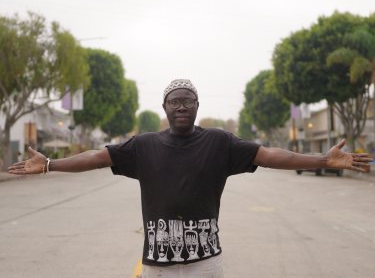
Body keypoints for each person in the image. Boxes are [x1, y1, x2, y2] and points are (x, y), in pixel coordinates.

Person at [8, 79, 373, 278]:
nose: (181, 105)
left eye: (188, 100)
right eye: (174, 101)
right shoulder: (144, 145)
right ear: (164, 108)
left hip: (205, 262)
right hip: (157, 265)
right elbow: (96, 157)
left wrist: (321, 159)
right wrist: (52, 163)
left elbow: (271, 155)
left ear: (197, 106)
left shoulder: (219, 142)